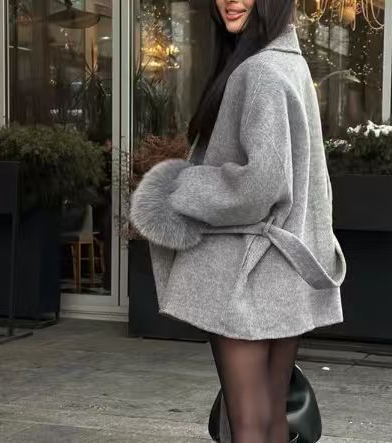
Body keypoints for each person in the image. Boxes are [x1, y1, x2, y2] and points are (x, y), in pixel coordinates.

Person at [130, 1, 346, 442]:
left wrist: (181, 187)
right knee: (272, 420)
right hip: (283, 276)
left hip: (248, 275)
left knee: (246, 426)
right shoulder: (291, 65)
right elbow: (311, 184)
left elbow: (260, 184)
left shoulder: (259, 71)